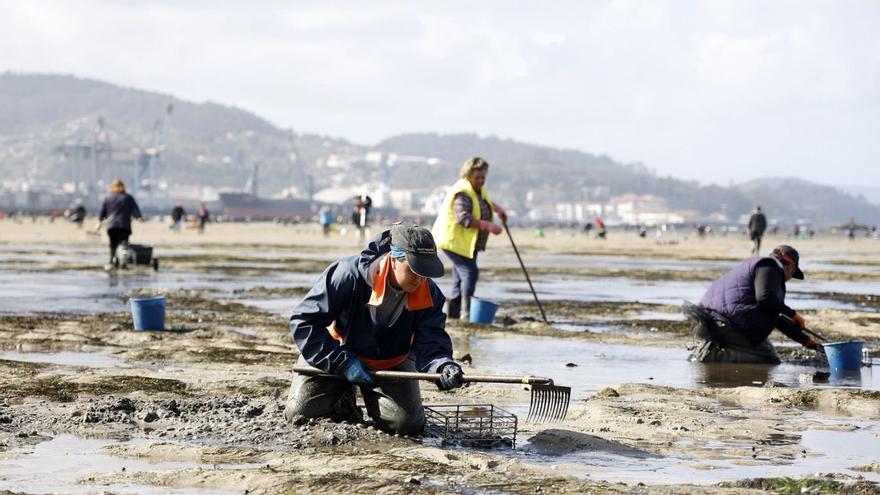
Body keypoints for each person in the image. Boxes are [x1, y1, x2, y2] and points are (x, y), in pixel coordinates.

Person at [285, 223, 464, 435]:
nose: (421, 279)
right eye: (415, 271)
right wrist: (343, 363)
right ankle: (343, 395)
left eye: (426, 273)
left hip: (391, 362)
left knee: (406, 425)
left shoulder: (430, 294)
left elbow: (431, 342)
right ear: (394, 258)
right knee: (300, 413)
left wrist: (443, 366)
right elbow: (304, 321)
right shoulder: (347, 274)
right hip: (334, 354)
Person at [687, 245, 819, 364]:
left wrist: (806, 341)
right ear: (790, 267)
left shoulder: (759, 266)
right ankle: (711, 355)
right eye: (792, 274)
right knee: (769, 359)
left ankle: (712, 349)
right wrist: (793, 314)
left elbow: (776, 317)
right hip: (725, 322)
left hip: (709, 319)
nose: (789, 279)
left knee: (766, 350)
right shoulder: (770, 266)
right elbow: (764, 298)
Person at [432, 157, 507, 320]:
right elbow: (464, 218)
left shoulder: (476, 190)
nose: (480, 181)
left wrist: (497, 208)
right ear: (468, 176)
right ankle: (466, 313)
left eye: (483, 177)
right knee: (469, 272)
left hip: (466, 243)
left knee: (460, 277)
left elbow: (481, 201)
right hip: (453, 240)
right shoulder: (463, 192)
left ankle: (453, 314)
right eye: (477, 178)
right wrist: (488, 226)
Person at [94, 178, 143, 269]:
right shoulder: (128, 198)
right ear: (123, 186)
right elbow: (135, 209)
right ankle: (123, 263)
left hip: (111, 226)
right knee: (123, 245)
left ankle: (112, 262)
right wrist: (139, 217)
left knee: (113, 245)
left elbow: (102, 212)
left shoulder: (108, 198)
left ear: (112, 187)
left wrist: (99, 222)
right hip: (124, 225)